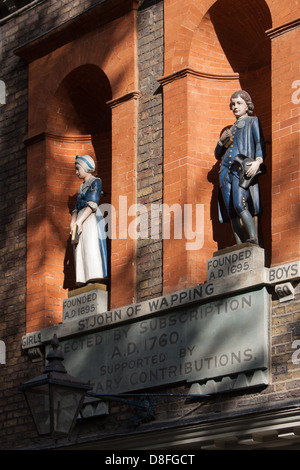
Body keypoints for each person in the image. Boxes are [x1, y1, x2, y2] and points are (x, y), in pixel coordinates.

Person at [215, 90, 265, 245]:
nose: (235, 107)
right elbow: (218, 154)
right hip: (225, 171)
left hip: (241, 169)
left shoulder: (252, 121)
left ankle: (252, 238)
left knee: (239, 203)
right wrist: (220, 142)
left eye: (239, 103)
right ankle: (238, 243)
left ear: (246, 105)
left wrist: (258, 161)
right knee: (230, 210)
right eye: (233, 104)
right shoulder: (230, 130)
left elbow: (259, 142)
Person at [70, 154, 107, 285]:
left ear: (86, 167)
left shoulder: (96, 181)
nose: (76, 172)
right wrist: (73, 221)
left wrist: (79, 221)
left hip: (90, 217)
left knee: (91, 246)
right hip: (80, 218)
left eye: (78, 168)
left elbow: (92, 203)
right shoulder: (81, 187)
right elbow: (76, 207)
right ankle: (83, 278)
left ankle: (93, 275)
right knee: (81, 249)